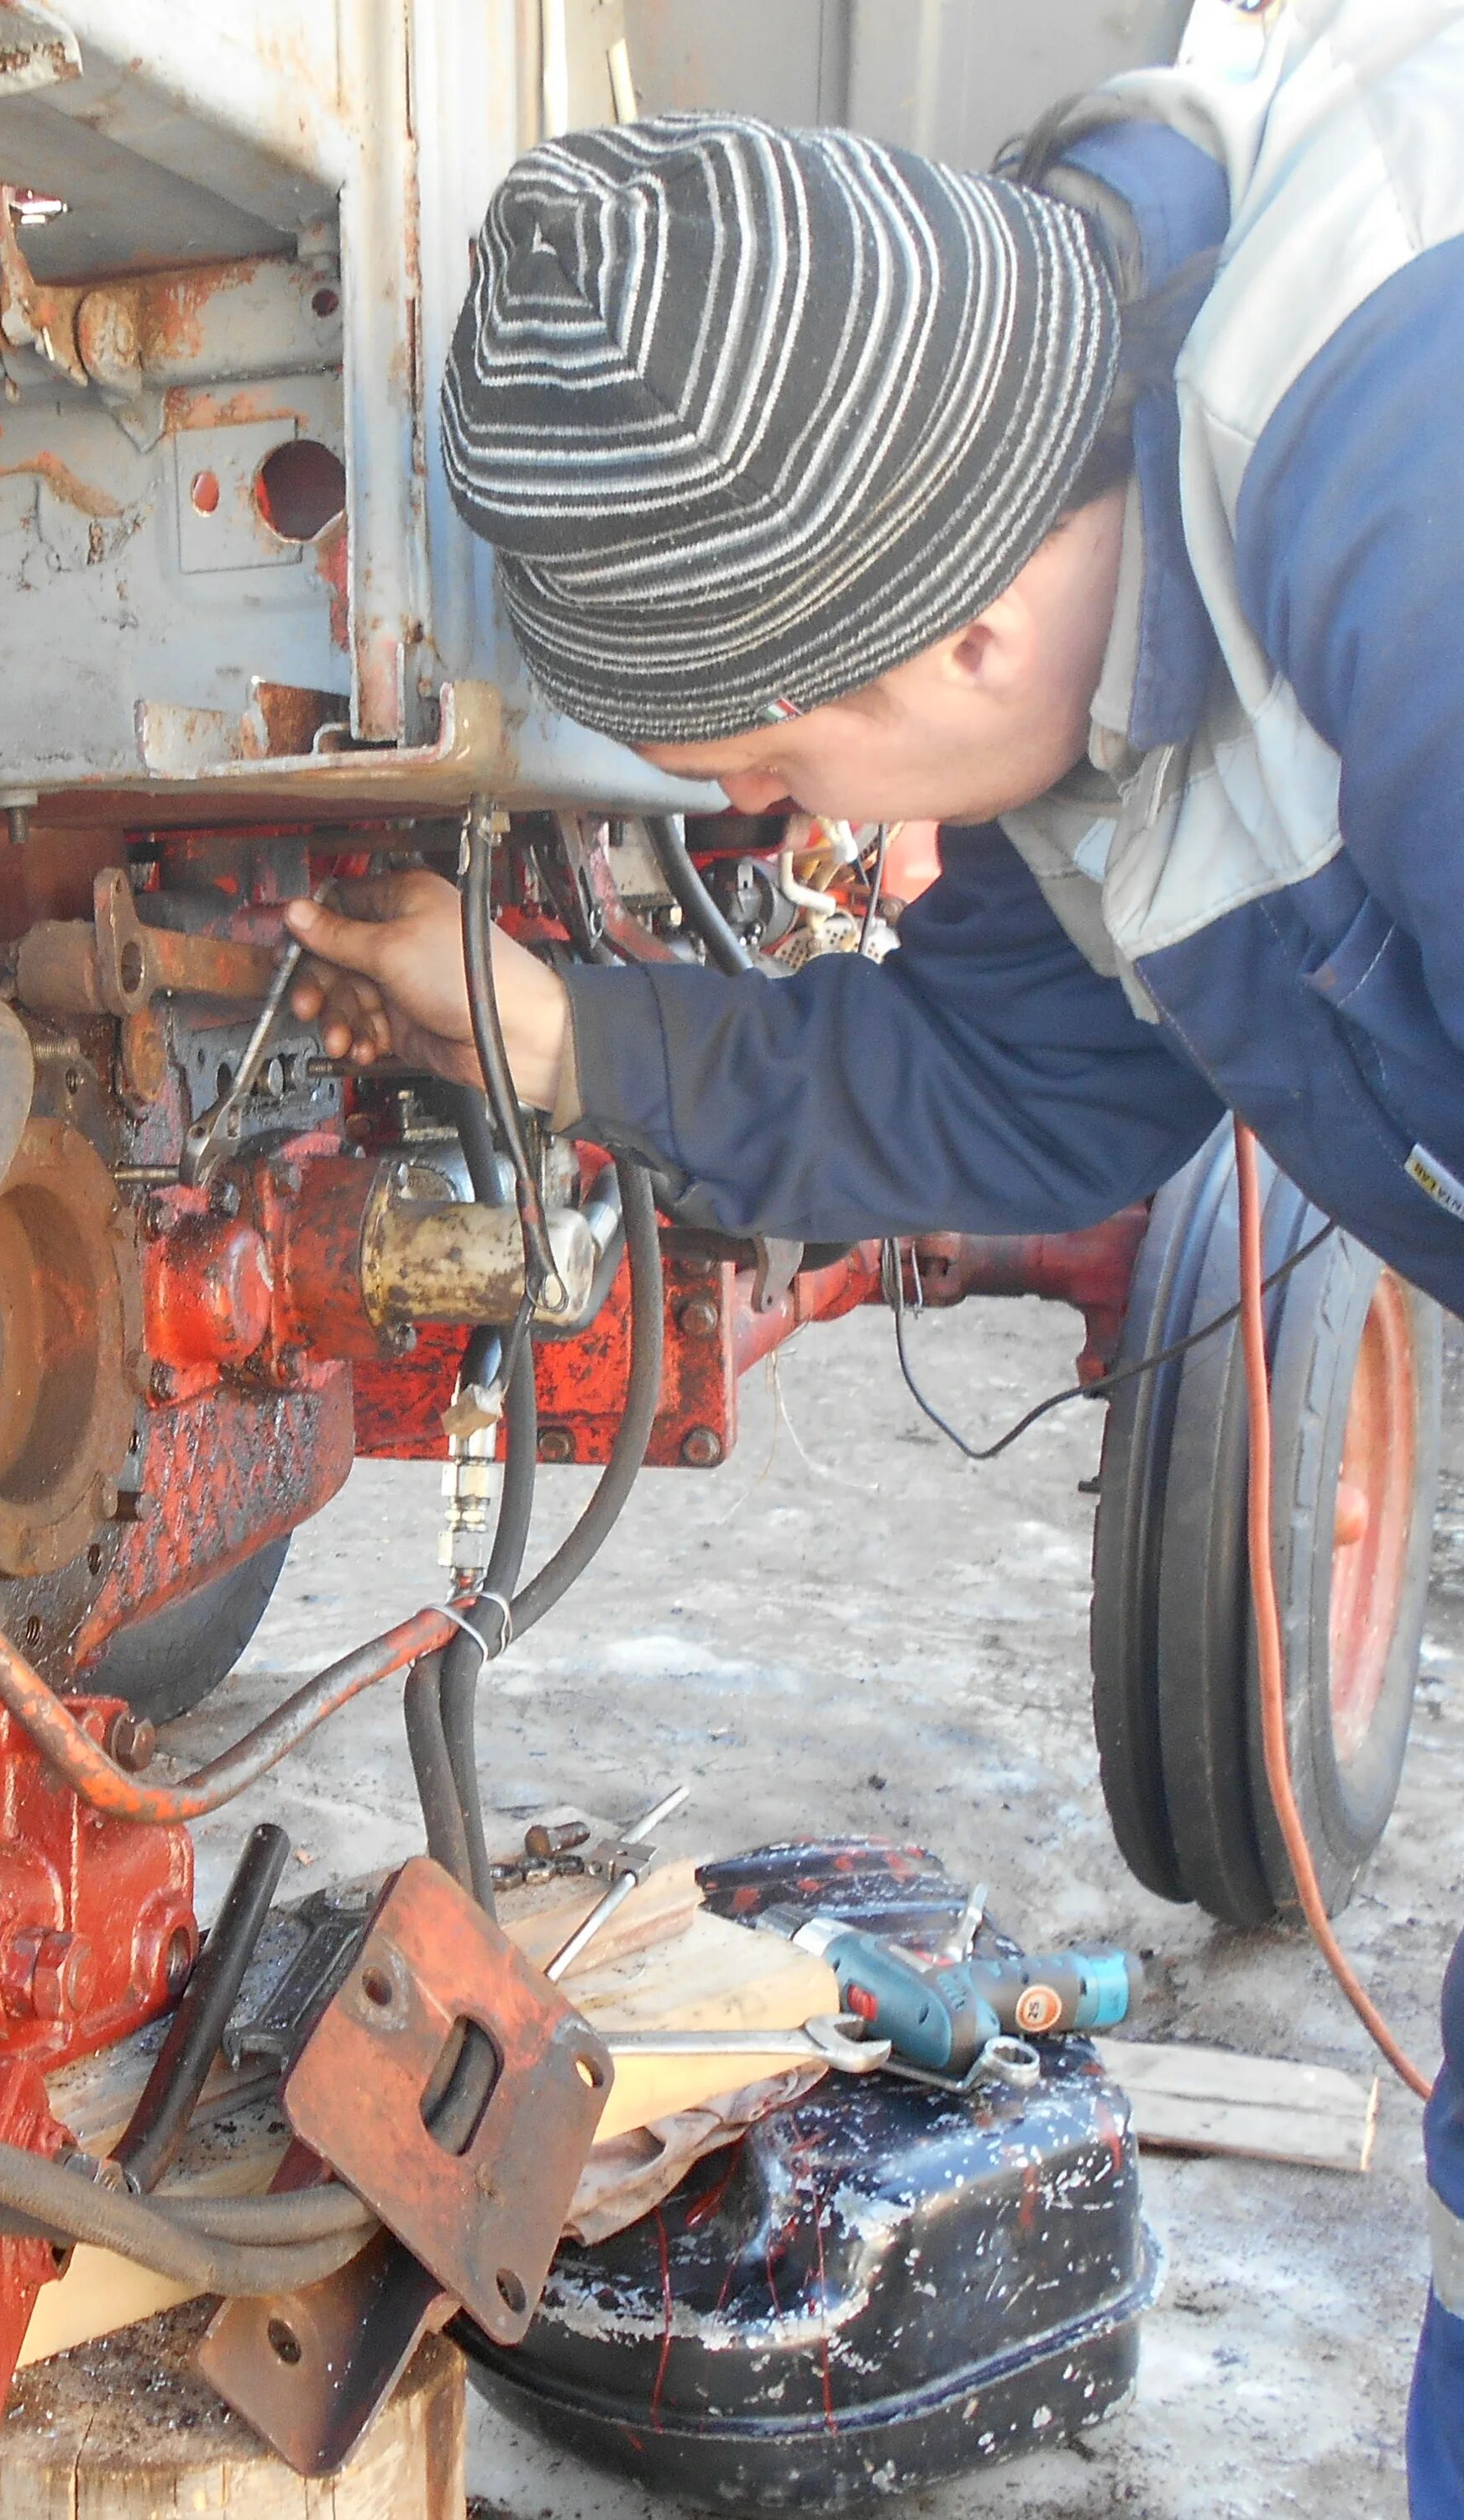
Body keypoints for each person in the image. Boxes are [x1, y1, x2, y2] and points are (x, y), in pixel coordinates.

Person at [277, 7, 1464, 2507]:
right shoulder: (1068, 591)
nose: (733, 797)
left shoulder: (1411, 499)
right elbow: (1015, 1092)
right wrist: (555, 1032)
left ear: (949, 640)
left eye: (758, 745)